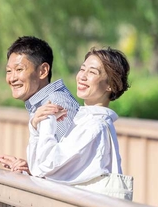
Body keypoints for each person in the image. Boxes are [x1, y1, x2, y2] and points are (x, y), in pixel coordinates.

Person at [25, 47, 131, 195]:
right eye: (82, 69)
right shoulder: (83, 120)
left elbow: (45, 166)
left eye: (92, 72)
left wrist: (46, 120)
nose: (82, 76)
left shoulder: (94, 126)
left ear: (110, 85)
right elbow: (40, 169)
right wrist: (35, 128)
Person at [0, 36, 80, 173]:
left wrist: (34, 169)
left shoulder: (57, 103)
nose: (12, 78)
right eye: (9, 71)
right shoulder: (40, 103)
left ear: (43, 71)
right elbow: (54, 161)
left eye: (19, 69)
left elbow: (71, 166)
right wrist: (29, 167)